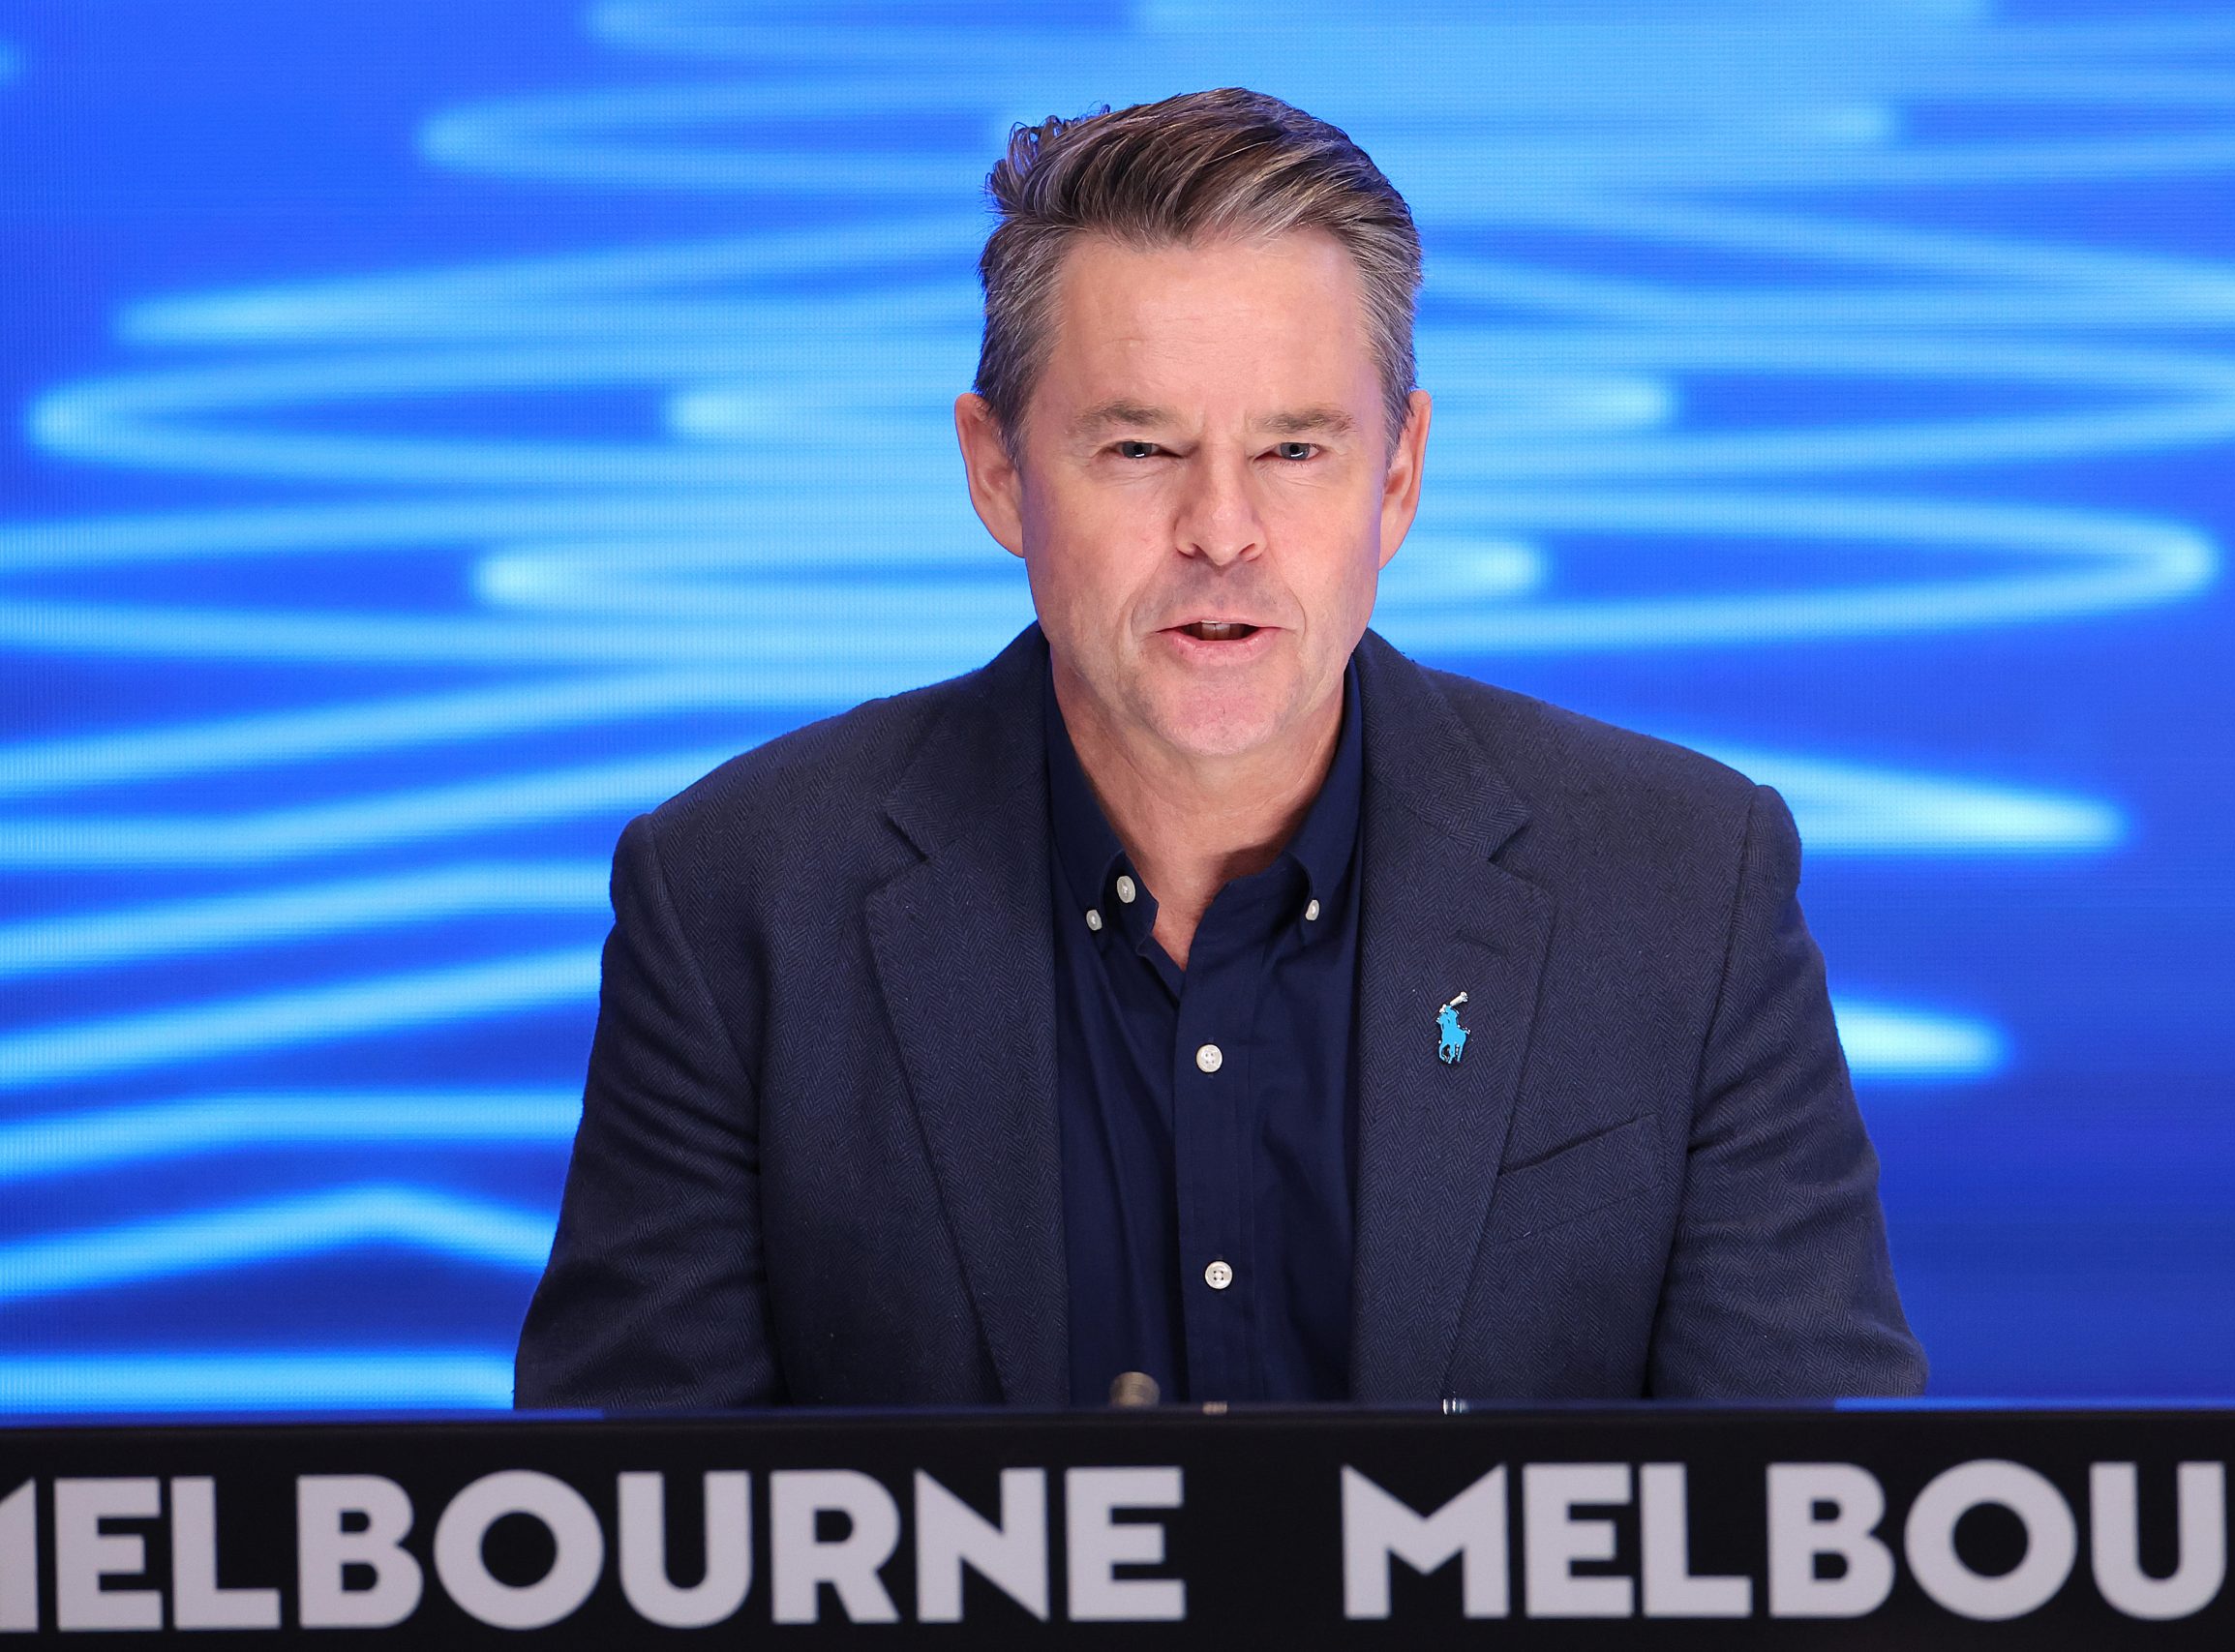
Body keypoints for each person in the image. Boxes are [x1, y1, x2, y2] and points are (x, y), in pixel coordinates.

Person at [515, 87, 1926, 1410]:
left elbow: (1816, 1533)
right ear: (998, 473)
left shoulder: (1683, 885)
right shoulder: (735, 899)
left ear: (1400, 474)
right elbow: (630, 1545)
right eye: (1139, 449)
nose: (1223, 533)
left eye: (1296, 452)